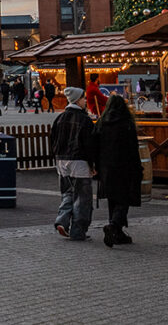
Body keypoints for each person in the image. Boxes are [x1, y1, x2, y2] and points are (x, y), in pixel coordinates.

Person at [93, 95, 142, 247]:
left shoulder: (101, 123)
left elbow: (95, 144)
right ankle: (114, 226)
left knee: (112, 198)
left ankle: (117, 232)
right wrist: (138, 166)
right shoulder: (126, 123)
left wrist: (96, 165)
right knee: (124, 198)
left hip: (106, 166)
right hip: (124, 165)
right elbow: (133, 147)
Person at [50, 87, 96, 241]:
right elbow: (89, 144)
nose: (85, 101)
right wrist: (93, 164)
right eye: (83, 99)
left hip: (62, 161)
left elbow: (53, 140)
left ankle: (62, 220)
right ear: (78, 100)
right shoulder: (84, 119)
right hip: (79, 161)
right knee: (82, 198)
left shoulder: (60, 118)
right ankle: (78, 230)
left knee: (68, 193)